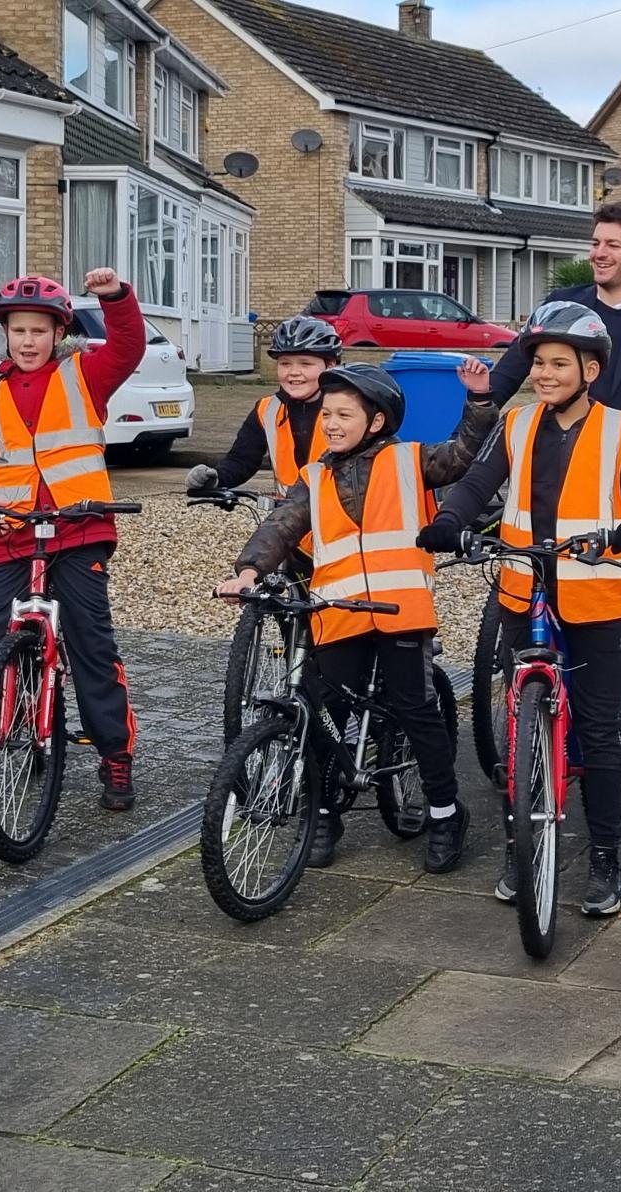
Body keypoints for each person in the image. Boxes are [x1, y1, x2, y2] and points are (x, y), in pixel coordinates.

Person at [420, 303, 621, 917]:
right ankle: (520, 843)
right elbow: (479, 483)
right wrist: (450, 519)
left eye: (560, 363)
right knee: (520, 718)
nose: (545, 373)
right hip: (524, 588)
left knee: (601, 727)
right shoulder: (518, 425)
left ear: (591, 369)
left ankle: (605, 854)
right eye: (538, 362)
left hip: (596, 596)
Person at [215, 360, 495, 874]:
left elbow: (463, 455)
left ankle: (444, 812)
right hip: (337, 612)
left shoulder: (411, 460)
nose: (331, 423)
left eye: (345, 414)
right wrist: (250, 571)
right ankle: (322, 812)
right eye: (326, 415)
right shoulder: (314, 477)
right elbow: (281, 524)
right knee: (320, 711)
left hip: (400, 609)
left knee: (415, 707)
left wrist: (477, 402)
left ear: (377, 423)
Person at [0, 270, 145, 812]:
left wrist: (116, 298)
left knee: (91, 644)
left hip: (80, 530)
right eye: (18, 331)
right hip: (9, 533)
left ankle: (115, 757)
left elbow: (128, 347)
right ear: (5, 334)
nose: (28, 341)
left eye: (39, 331)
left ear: (59, 333)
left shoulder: (86, 375)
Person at [488, 199, 621, 710]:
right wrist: (475, 417)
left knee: (618, 610)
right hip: (547, 479)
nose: (600, 253)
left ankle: (610, 715)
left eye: (612, 245)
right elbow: (513, 371)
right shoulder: (563, 303)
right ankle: (530, 723)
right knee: (530, 597)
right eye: (596, 243)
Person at [188, 315, 340, 495]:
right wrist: (216, 477)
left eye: (306, 364)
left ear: (330, 366)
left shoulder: (350, 410)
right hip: (287, 517)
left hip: (342, 517)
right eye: (285, 364)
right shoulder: (267, 410)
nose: (293, 373)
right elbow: (243, 459)